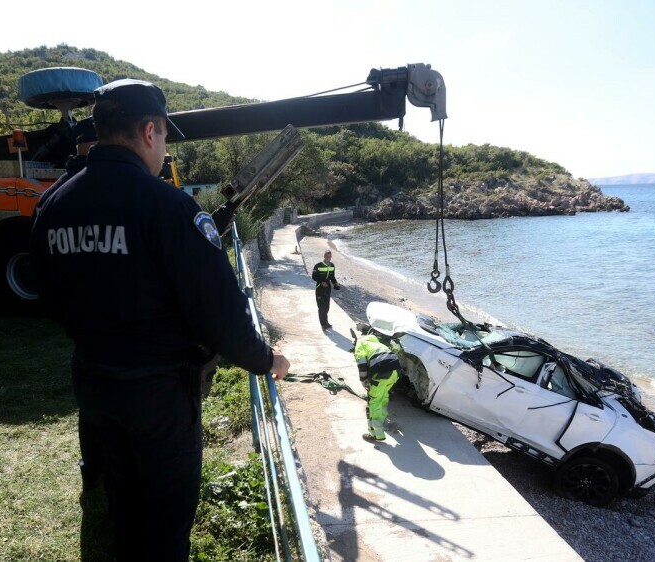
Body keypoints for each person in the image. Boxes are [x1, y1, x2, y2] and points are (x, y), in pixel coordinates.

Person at [29, 78, 290, 561]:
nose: (164, 147)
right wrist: (265, 358)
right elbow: (221, 315)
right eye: (166, 137)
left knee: (124, 501)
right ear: (150, 132)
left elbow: (48, 298)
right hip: (159, 398)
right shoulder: (168, 207)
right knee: (167, 523)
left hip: (93, 382)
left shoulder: (53, 205)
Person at [353, 334, 401, 442]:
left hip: (382, 373)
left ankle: (376, 434)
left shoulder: (361, 345)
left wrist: (363, 379)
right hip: (395, 372)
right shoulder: (377, 344)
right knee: (383, 397)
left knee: (373, 403)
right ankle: (382, 420)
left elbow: (362, 363)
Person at [311, 250, 340, 331]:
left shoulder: (332, 266)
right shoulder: (318, 265)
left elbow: (332, 277)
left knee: (327, 307)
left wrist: (335, 283)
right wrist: (321, 282)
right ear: (324, 256)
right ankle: (323, 325)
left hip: (328, 288)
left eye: (330, 256)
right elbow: (313, 276)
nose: (328, 258)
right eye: (327, 256)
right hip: (319, 288)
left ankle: (326, 322)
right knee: (321, 307)